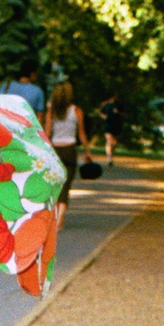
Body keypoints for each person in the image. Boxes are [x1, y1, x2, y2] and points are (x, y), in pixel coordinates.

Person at [45, 81, 92, 223]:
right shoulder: (76, 111)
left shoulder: (51, 111)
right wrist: (87, 151)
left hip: (54, 150)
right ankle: (60, 217)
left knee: (54, 184)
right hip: (70, 150)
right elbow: (82, 134)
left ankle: (53, 214)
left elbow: (47, 133)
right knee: (66, 185)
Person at [97, 92, 124, 166]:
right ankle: (109, 158)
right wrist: (103, 116)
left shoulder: (119, 105)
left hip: (117, 125)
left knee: (114, 142)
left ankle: (111, 154)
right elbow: (99, 111)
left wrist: (118, 113)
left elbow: (124, 114)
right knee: (109, 140)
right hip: (108, 124)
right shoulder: (105, 104)